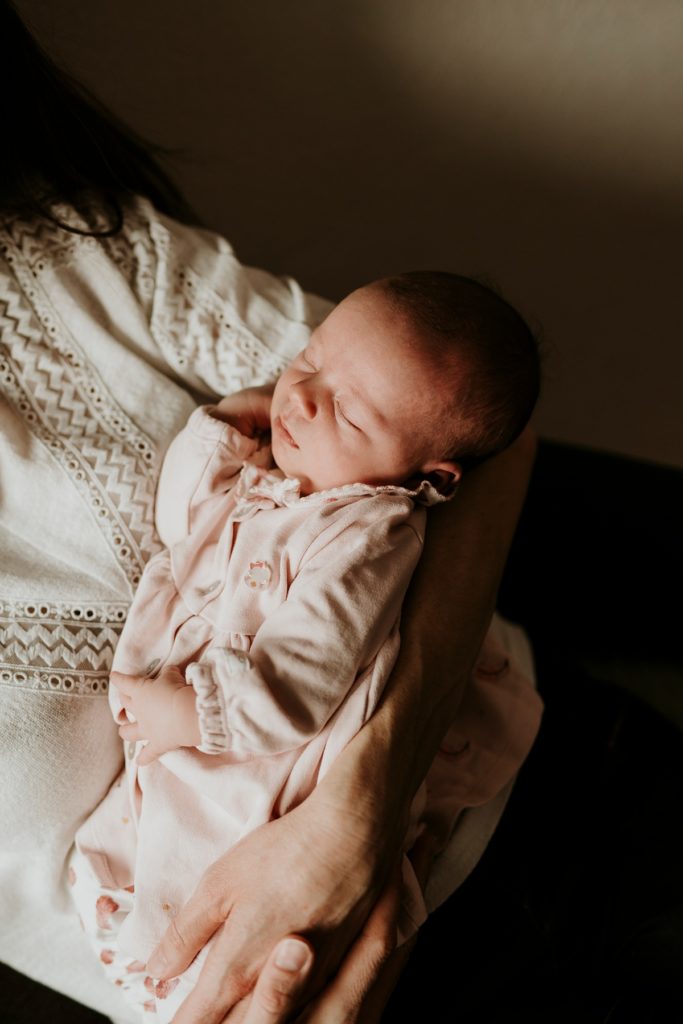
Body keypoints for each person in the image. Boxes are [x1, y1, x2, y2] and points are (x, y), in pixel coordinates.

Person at [0, 4, 540, 1021]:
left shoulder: (65, 254)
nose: (297, 394)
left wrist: (360, 811)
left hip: (522, 795)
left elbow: (483, 424)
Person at [67, 271, 542, 1020]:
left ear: (430, 477)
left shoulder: (369, 538)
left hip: (264, 742)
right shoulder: (291, 479)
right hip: (227, 725)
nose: (305, 398)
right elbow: (182, 522)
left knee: (215, 851)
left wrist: (190, 716)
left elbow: (300, 682)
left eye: (349, 413)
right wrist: (222, 425)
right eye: (311, 361)